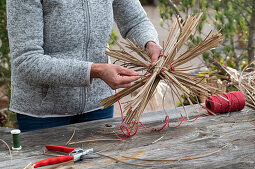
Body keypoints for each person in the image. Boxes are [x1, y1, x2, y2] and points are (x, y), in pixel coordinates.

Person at [7, 0, 162, 132]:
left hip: (98, 106)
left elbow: (135, 20)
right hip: (43, 113)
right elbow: (26, 60)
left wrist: (149, 42)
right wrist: (95, 71)